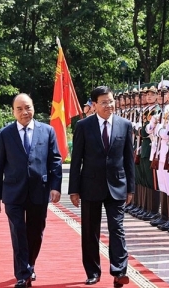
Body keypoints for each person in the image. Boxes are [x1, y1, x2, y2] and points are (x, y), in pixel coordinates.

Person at [0, 93, 62, 288]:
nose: (25, 112)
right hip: (13, 192)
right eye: (20, 109)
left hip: (39, 191)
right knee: (18, 232)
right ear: (13, 111)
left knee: (35, 232)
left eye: (28, 107)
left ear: (33, 108)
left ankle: (29, 265)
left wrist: (55, 187)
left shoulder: (47, 131)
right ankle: (22, 274)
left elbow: (55, 160)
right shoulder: (5, 134)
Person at [68, 86, 135, 288]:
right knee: (90, 231)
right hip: (90, 186)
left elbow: (128, 159)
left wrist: (131, 188)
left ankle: (119, 271)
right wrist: (74, 189)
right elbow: (76, 160)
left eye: (111, 101)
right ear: (94, 105)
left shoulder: (125, 125)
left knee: (117, 229)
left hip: (117, 185)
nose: (109, 105)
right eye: (104, 102)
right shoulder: (83, 126)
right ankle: (93, 272)